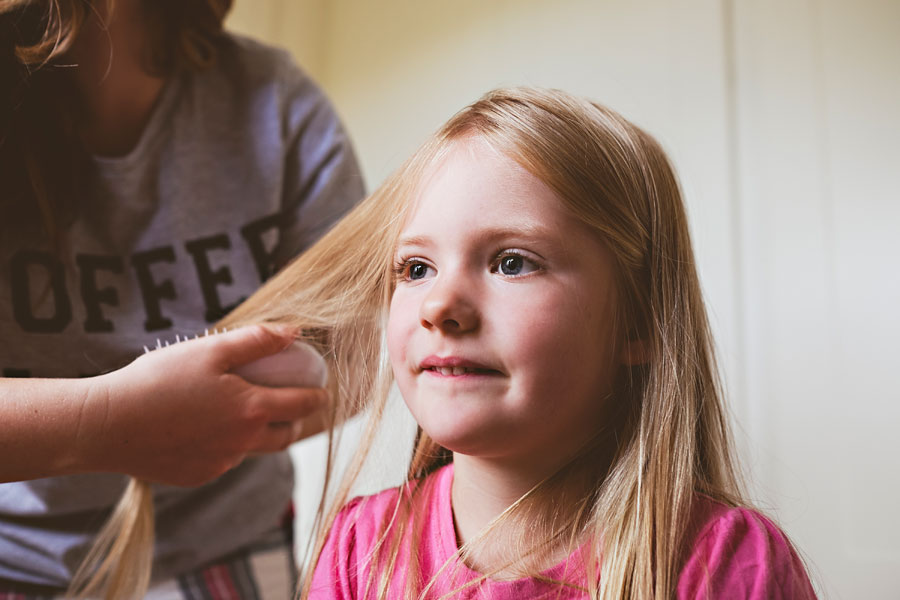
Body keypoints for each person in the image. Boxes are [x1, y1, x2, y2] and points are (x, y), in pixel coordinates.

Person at [208, 87, 817, 598]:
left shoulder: (727, 564)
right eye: (416, 269)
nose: (441, 305)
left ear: (640, 323)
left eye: (512, 262)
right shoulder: (360, 550)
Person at [0, 0, 363, 596]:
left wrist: (227, 423)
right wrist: (108, 423)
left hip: (228, 544)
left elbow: (359, 354)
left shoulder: (278, 107)